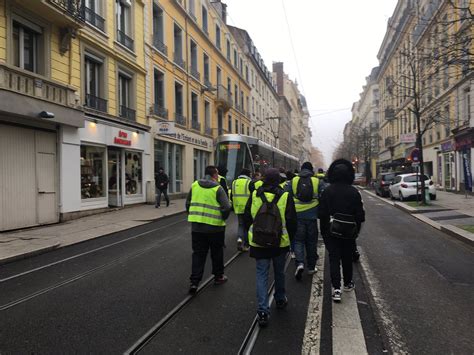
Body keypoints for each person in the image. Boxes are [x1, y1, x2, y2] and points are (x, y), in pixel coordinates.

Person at [243, 168, 297, 327]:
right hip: (279, 243)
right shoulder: (285, 196)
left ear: (264, 179)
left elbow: (247, 218)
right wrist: (290, 240)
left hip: (259, 242)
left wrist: (250, 236)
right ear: (278, 180)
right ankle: (280, 299)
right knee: (279, 272)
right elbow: (292, 221)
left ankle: (262, 311)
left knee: (261, 274)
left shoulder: (254, 194)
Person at [318, 159, 365, 303]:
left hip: (331, 231)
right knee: (346, 257)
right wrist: (355, 231)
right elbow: (360, 216)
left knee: (333, 258)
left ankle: (336, 288)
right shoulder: (354, 192)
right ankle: (348, 283)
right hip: (349, 232)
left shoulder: (327, 191)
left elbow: (321, 214)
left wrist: (324, 231)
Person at [186, 165, 232, 295]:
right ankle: (218, 277)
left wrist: (193, 215)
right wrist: (223, 218)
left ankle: (194, 282)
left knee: (198, 254)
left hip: (197, 228)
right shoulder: (218, 188)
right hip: (215, 228)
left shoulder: (194, 185)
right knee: (216, 253)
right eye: (217, 174)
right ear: (214, 175)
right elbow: (227, 207)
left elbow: (188, 203)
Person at [290, 162, 322, 279]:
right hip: (312, 216)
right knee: (311, 242)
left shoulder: (293, 181)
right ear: (311, 170)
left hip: (297, 216)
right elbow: (322, 196)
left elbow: (287, 196)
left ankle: (300, 263)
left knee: (298, 241)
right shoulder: (316, 181)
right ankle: (311, 267)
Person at [231, 168, 252, 251]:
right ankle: (247, 244)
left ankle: (239, 239)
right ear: (247, 174)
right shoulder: (249, 182)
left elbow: (232, 194)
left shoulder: (234, 182)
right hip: (247, 208)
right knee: (247, 226)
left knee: (240, 224)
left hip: (238, 207)